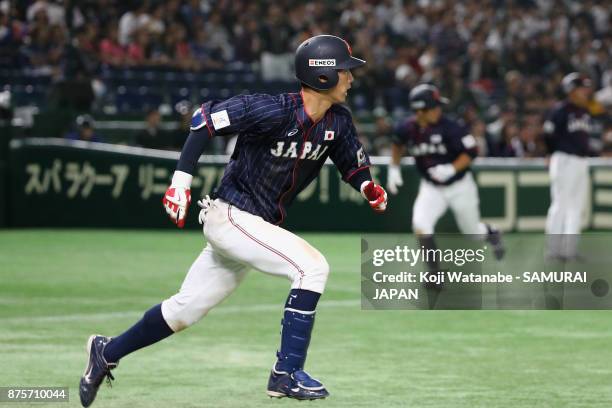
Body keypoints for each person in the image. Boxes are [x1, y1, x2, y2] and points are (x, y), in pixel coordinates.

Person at [79, 34, 388, 407]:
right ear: (322, 76)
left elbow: (350, 161)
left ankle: (106, 351)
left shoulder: (337, 120)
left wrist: (367, 184)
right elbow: (203, 120)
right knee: (312, 268)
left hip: (255, 227)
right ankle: (286, 373)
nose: (351, 78)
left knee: (184, 310)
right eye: (344, 71)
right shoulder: (272, 109)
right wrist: (180, 182)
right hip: (231, 216)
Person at [386, 84, 504, 287]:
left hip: (459, 186)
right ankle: (434, 274)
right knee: (421, 224)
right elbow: (397, 143)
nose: (438, 110)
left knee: (472, 233)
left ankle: (491, 232)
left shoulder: (451, 127)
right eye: (434, 107)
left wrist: (451, 168)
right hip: (432, 187)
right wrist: (394, 168)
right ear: (420, 110)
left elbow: (472, 152)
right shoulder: (407, 128)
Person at [543, 72, 593, 260]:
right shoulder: (560, 110)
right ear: (571, 90)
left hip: (581, 161)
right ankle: (553, 250)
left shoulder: (585, 111)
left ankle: (569, 250)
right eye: (581, 88)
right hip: (564, 159)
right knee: (560, 204)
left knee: (576, 207)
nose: (585, 91)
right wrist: (550, 153)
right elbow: (548, 134)